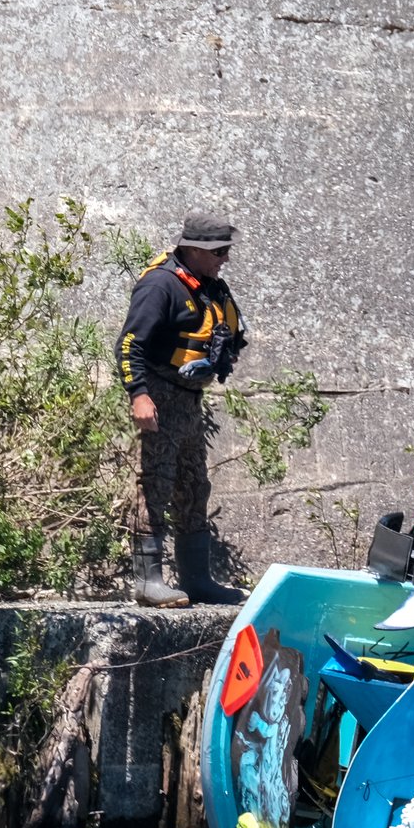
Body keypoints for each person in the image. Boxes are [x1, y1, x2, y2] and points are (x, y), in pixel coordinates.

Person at [116, 214, 250, 608]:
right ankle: (148, 581)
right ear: (193, 250)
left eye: (226, 251)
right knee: (155, 482)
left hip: (189, 400)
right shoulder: (160, 285)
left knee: (194, 486)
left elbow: (232, 334)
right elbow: (128, 345)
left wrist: (220, 356)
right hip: (160, 396)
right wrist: (139, 395)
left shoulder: (211, 288)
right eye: (218, 252)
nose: (224, 259)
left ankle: (197, 579)